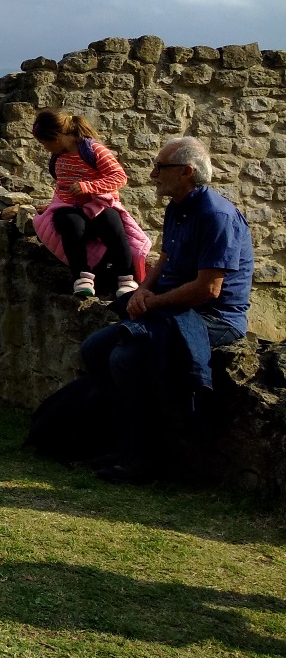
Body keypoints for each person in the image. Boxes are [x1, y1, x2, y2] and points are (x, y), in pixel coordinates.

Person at [79, 137, 253, 484]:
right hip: (170, 308)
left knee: (125, 360)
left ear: (187, 172)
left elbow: (209, 289)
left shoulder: (215, 216)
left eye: (161, 167)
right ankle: (124, 444)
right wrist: (142, 291)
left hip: (212, 317)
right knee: (95, 350)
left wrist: (152, 302)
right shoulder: (178, 207)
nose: (153, 174)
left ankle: (146, 459)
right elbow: (167, 260)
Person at [31, 110, 149, 299]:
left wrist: (89, 187)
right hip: (68, 206)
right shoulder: (58, 156)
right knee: (71, 226)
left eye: (45, 142)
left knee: (113, 226)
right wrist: (52, 205)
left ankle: (126, 278)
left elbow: (119, 177)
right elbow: (62, 186)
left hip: (98, 204)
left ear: (57, 136)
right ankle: (83, 278)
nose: (44, 147)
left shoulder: (93, 150)